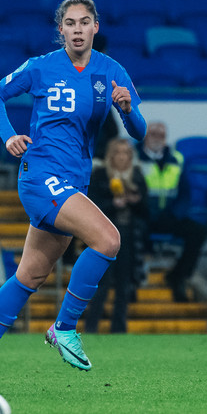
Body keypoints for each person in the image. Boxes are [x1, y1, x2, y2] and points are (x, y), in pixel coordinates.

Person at [0, 0, 147, 389]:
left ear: (95, 27)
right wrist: (9, 136)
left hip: (74, 182)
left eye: (84, 22)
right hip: (40, 175)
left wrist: (127, 110)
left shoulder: (111, 71)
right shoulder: (40, 67)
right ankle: (65, 326)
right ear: (61, 30)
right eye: (70, 23)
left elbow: (138, 131)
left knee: (30, 275)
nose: (77, 29)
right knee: (108, 239)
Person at [136, 121, 207, 302]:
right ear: (145, 136)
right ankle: (132, 281)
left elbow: (185, 193)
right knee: (130, 231)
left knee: (198, 230)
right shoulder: (134, 157)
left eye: (161, 135)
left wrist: (175, 213)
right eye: (153, 134)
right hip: (142, 214)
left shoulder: (176, 159)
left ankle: (179, 276)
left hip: (169, 215)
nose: (157, 138)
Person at [84, 138, 149, 333]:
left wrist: (135, 201)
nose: (122, 157)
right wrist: (113, 204)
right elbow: (90, 205)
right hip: (104, 237)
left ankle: (119, 327)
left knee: (124, 284)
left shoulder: (137, 176)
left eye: (126, 153)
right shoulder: (100, 175)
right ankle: (91, 326)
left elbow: (147, 211)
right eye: (118, 152)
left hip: (129, 236)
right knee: (101, 284)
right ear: (111, 155)